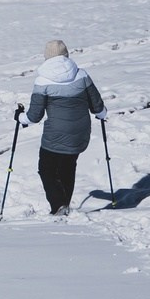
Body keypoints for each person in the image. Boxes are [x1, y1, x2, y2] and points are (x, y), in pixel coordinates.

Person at [20, 40, 105, 216]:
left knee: (46, 169)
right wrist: (102, 113)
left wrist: (19, 117)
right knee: (68, 166)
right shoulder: (81, 75)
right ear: (66, 54)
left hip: (55, 136)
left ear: (47, 57)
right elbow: (97, 106)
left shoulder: (42, 81)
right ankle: (64, 205)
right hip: (80, 133)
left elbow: (34, 117)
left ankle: (58, 205)